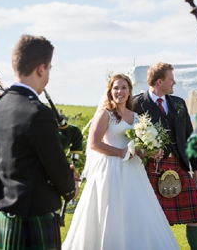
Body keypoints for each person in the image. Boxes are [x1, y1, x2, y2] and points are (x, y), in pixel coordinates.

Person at [63, 74, 178, 250]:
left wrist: (151, 152)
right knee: (110, 210)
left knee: (137, 210)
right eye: (116, 88)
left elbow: (138, 147)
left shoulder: (137, 117)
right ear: (110, 91)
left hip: (133, 170)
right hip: (109, 169)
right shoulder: (106, 114)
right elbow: (94, 143)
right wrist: (120, 152)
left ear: (130, 91)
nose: (120, 92)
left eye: (124, 88)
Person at [0, 35, 77, 250]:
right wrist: (70, 188)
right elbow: (56, 167)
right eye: (50, 69)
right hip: (34, 215)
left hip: (4, 214)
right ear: (41, 69)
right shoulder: (38, 113)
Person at [133, 64, 197, 250]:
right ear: (160, 81)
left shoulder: (178, 102)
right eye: (171, 79)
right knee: (152, 218)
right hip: (152, 167)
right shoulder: (136, 103)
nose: (174, 82)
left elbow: (190, 136)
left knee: (196, 216)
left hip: (179, 165)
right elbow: (130, 136)